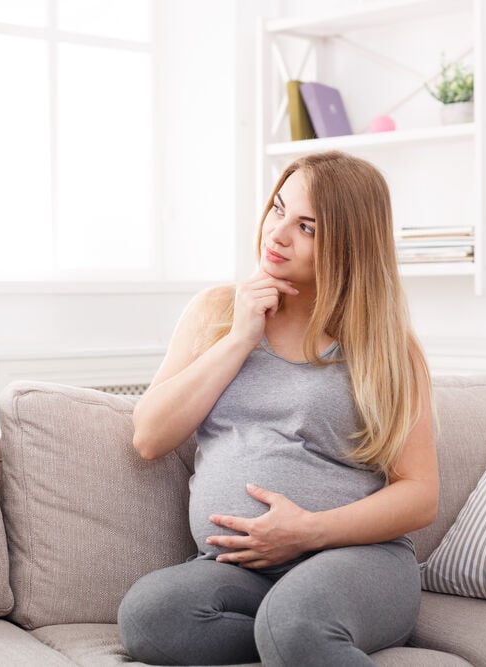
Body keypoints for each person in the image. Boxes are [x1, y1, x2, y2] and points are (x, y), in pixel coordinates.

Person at [117, 151, 439, 666]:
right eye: (278, 209)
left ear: (349, 245)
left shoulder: (385, 348)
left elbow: (420, 495)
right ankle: (298, 639)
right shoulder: (216, 313)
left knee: (294, 624)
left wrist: (307, 531)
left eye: (307, 226)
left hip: (357, 560)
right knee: (150, 617)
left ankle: (299, 631)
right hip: (239, 571)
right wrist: (240, 338)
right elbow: (149, 437)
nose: (278, 233)